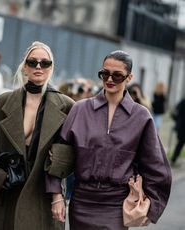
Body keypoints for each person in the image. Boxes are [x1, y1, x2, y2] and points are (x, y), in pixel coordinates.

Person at [46, 50, 172, 229]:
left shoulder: (141, 116)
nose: (109, 79)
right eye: (104, 74)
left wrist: (151, 205)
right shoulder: (80, 109)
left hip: (116, 205)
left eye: (117, 75)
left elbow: (157, 166)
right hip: (81, 201)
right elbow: (57, 156)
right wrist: (56, 195)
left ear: (129, 78)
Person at [0, 41, 74, 230]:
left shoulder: (67, 106)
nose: (38, 67)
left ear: (52, 67)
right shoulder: (1, 103)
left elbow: (75, 151)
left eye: (45, 63)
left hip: (43, 197)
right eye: (33, 62)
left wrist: (58, 158)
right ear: (25, 67)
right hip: (6, 196)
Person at [171, 98, 185, 165]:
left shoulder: (182, 101)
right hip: (182, 127)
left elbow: (174, 114)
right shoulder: (183, 101)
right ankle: (173, 159)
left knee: (179, 144)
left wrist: (177, 120)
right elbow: (174, 113)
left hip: (181, 127)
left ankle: (173, 159)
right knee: (179, 144)